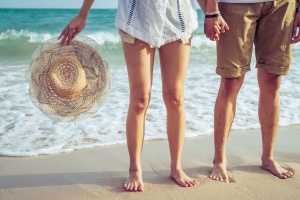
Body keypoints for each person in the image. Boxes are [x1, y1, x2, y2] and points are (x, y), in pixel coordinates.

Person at [59, 0, 228, 192]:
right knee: (140, 99)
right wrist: (83, 13)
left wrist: (212, 13)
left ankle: (176, 167)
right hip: (136, 18)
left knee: (175, 97)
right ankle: (135, 169)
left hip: (177, 17)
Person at [204, 0, 300, 183]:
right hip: (235, 4)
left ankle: (268, 157)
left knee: (272, 81)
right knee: (231, 81)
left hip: (282, 5)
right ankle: (219, 160)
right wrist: (211, 10)